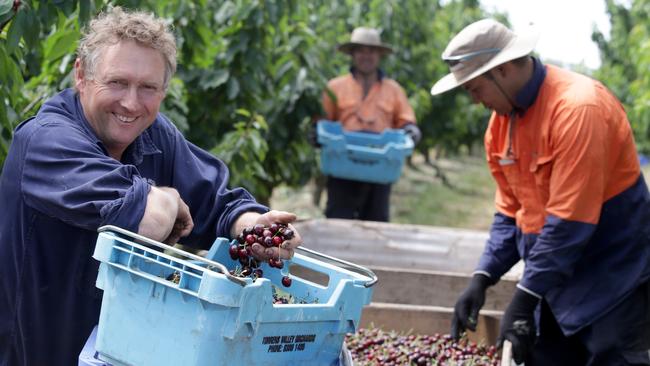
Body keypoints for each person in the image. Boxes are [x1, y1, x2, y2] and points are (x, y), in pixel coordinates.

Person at [0, 7, 303, 366]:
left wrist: (252, 225)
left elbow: (216, 202)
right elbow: (149, 220)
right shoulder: (45, 143)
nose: (131, 103)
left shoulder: (155, 135)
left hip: (118, 349)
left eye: (148, 88)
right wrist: (168, 199)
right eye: (117, 83)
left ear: (164, 91)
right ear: (81, 75)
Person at [431, 19, 650, 365]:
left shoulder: (579, 109)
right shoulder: (500, 126)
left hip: (610, 279)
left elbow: (569, 224)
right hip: (554, 280)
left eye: (474, 89)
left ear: (502, 71)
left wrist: (523, 298)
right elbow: (509, 213)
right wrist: (483, 277)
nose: (475, 101)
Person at [319, 26, 421, 222]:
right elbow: (323, 122)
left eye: (372, 51)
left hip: (380, 167)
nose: (366, 56)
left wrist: (411, 131)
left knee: (376, 222)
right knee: (338, 220)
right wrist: (316, 134)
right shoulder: (335, 87)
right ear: (353, 54)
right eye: (361, 50)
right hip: (343, 164)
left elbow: (406, 121)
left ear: (379, 55)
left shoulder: (393, 90)